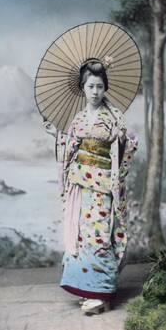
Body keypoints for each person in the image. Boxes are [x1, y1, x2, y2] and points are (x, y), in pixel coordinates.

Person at [43, 59, 138, 315]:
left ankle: (102, 292)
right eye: (90, 86)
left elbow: (128, 147)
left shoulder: (115, 116)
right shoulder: (79, 118)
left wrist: (121, 141)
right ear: (82, 88)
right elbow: (72, 144)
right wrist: (57, 135)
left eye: (99, 86)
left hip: (104, 183)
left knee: (100, 235)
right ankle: (87, 290)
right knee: (82, 235)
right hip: (81, 182)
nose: (95, 92)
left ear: (105, 88)